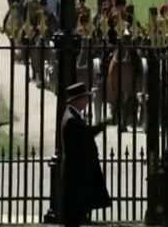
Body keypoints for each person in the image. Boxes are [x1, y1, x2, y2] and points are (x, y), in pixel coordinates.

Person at [61, 83, 111, 227]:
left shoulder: (73, 116)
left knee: (75, 218)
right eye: (85, 98)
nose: (87, 102)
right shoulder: (72, 120)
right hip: (75, 178)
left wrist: (103, 125)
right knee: (73, 219)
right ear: (78, 100)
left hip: (76, 178)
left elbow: (86, 133)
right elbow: (77, 149)